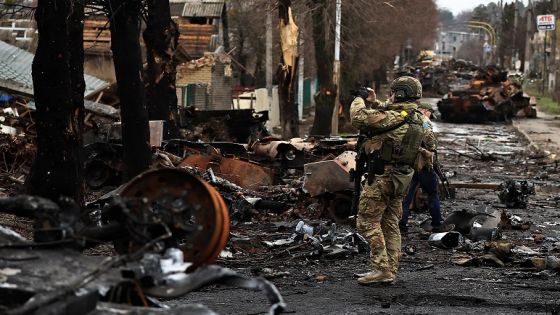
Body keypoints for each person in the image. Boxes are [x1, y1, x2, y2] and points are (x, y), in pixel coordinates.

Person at [350, 76, 425, 285]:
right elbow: (391, 113)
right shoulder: (418, 117)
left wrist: (359, 99)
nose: (389, 97)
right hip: (402, 179)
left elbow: (358, 118)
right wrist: (375, 101)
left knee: (366, 222)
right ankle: (390, 269)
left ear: (399, 94)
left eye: (393, 93)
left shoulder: (394, 117)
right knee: (390, 223)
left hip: (383, 177)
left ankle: (381, 268)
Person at [399, 103, 451, 234]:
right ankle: (437, 224)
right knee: (433, 194)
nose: (430, 117)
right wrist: (432, 148)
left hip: (409, 162)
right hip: (423, 164)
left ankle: (401, 225)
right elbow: (429, 139)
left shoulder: (407, 118)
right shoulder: (424, 120)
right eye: (429, 114)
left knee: (406, 196)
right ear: (425, 111)